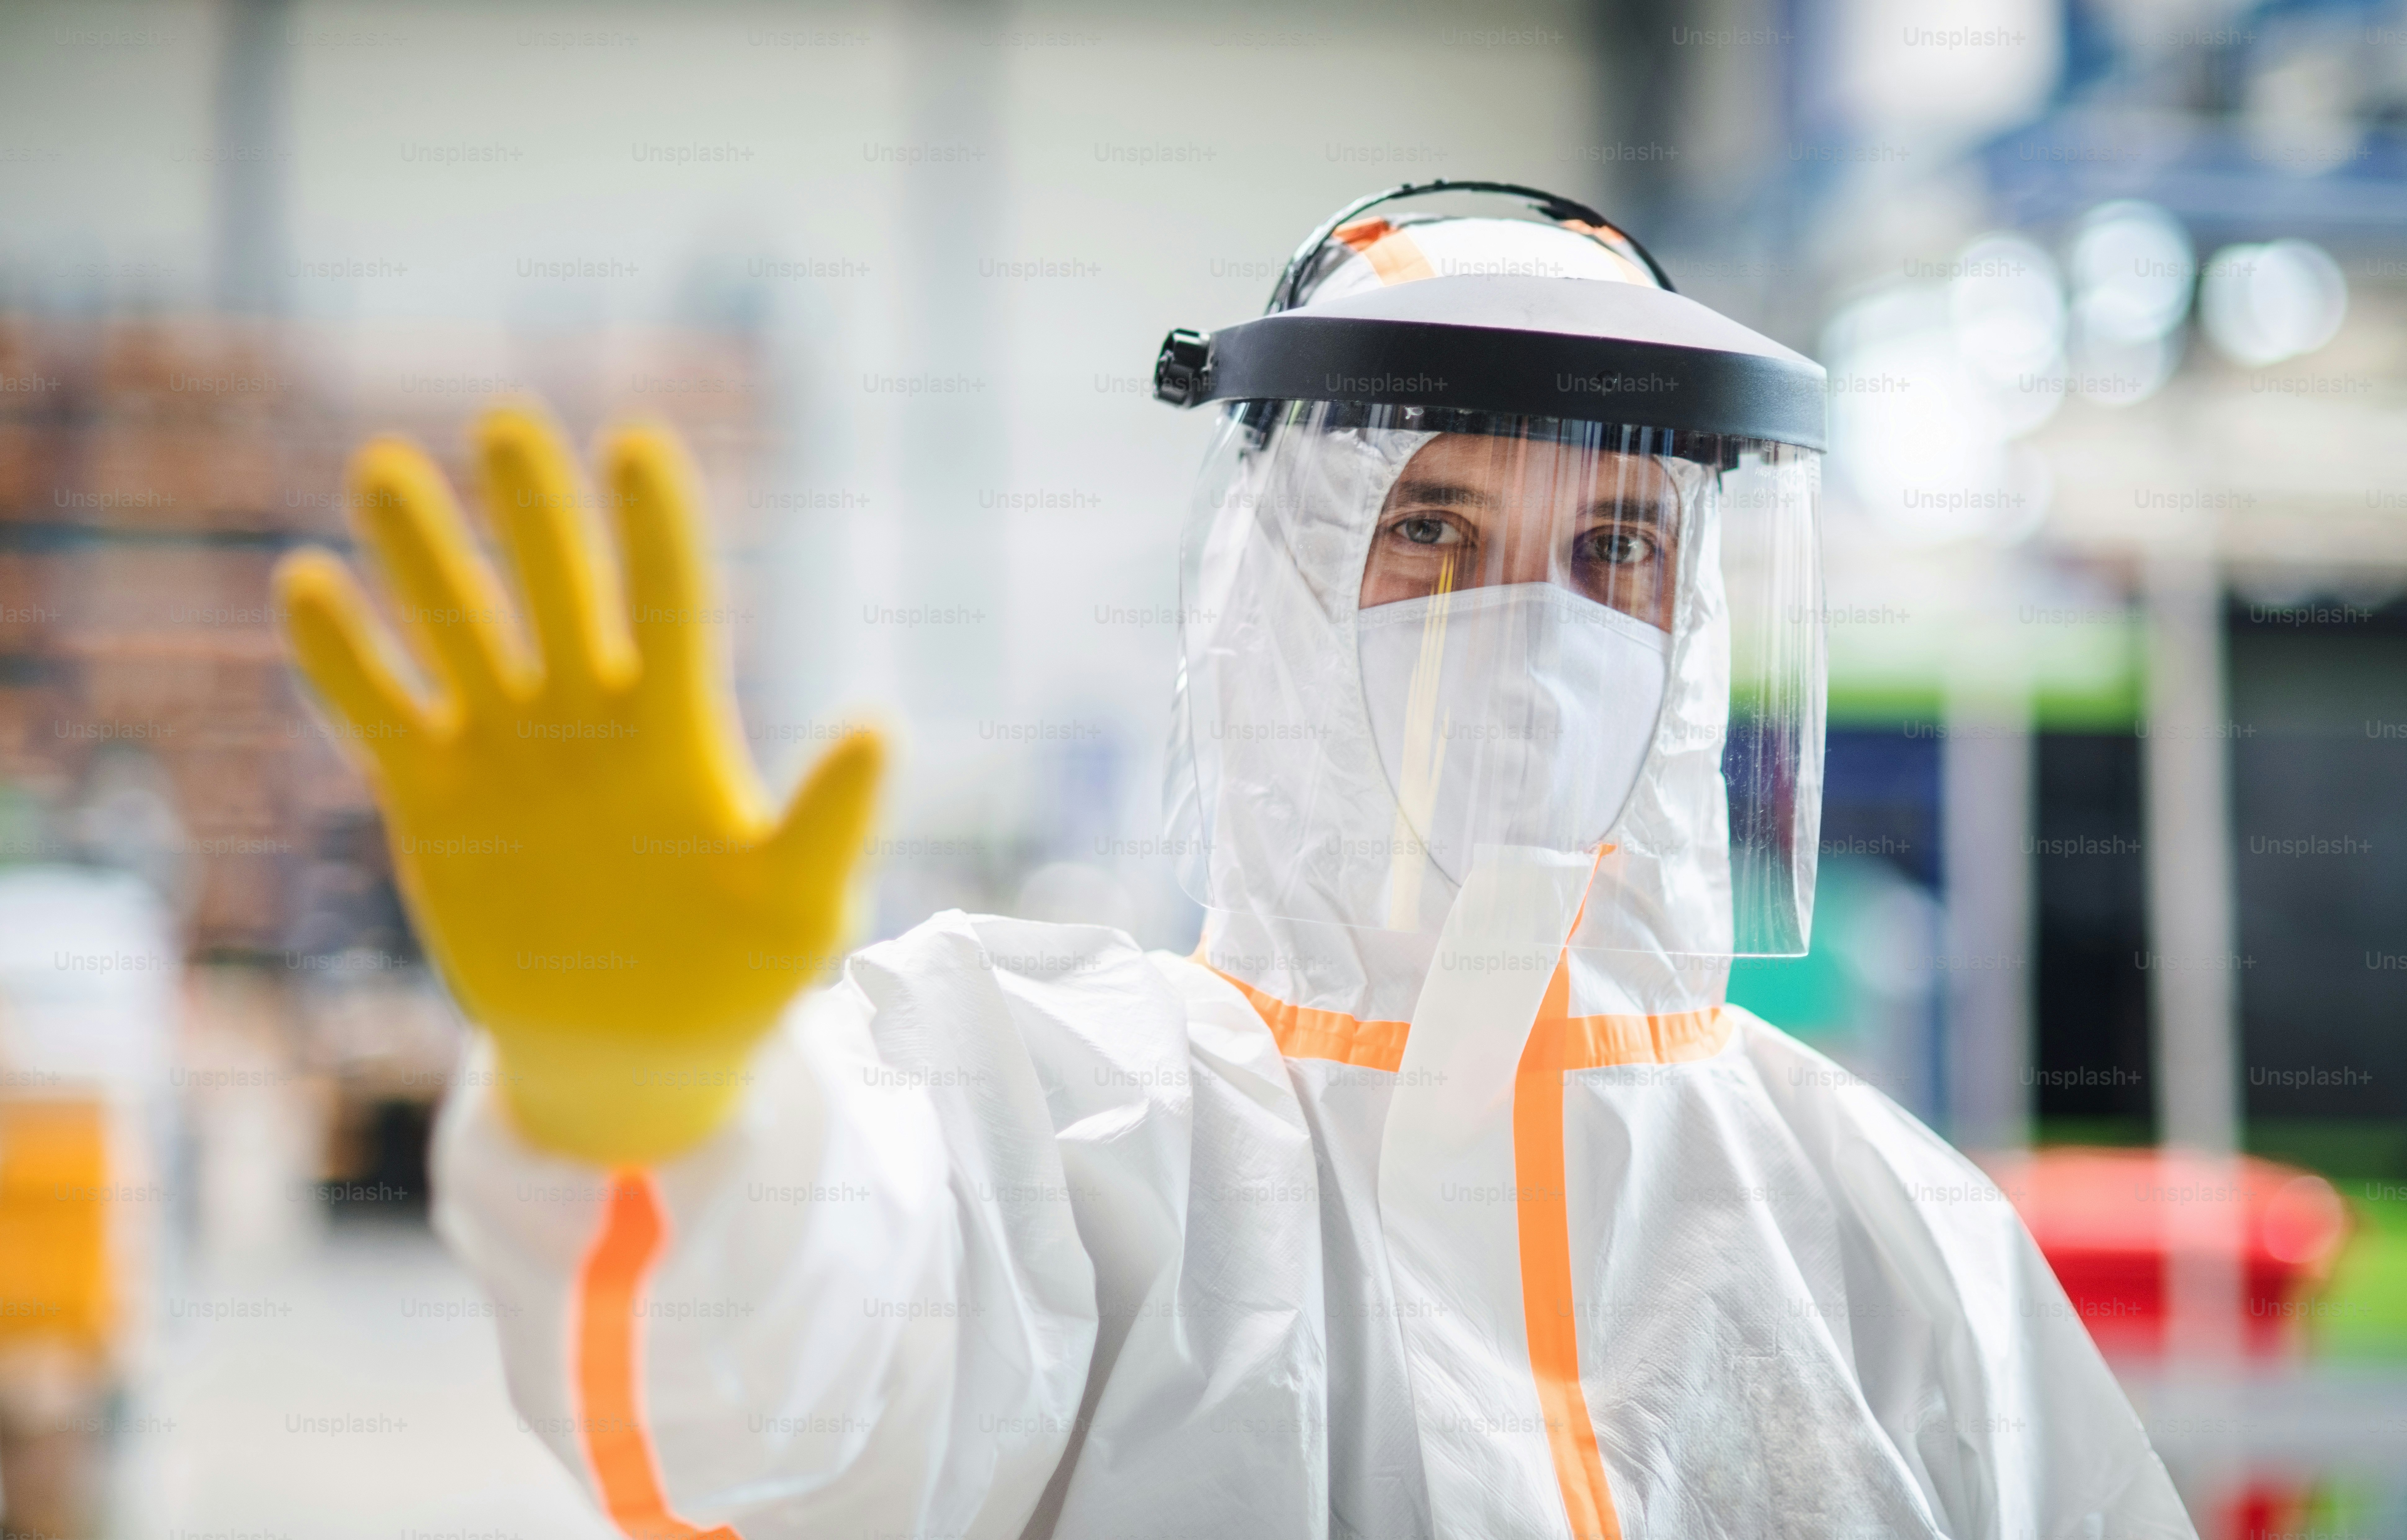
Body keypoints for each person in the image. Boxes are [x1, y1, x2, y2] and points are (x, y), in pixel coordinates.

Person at [275, 184, 2194, 1540]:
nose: (1536, 628)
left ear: (1699, 630)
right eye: (1432, 527)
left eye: (1620, 547)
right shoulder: (1050, 1110)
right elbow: (780, 1393)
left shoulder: (1887, 1226)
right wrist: (677, 1110)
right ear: (1273, 590)